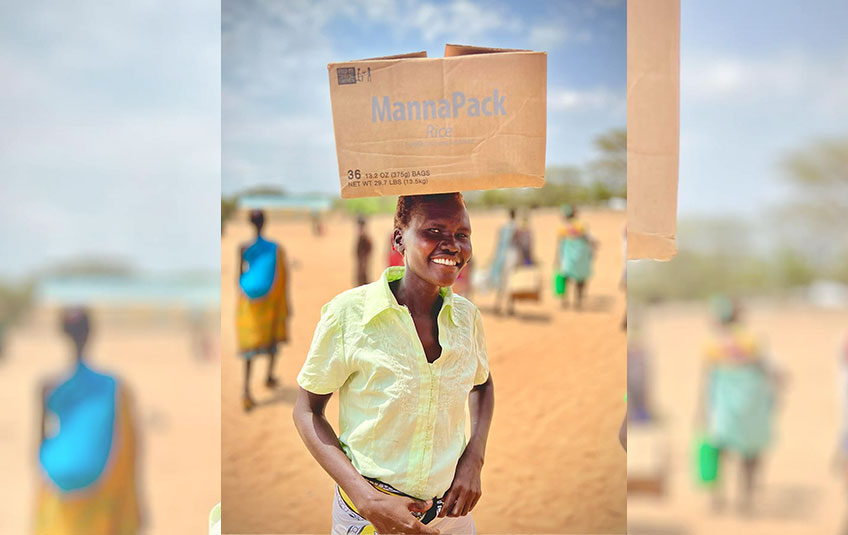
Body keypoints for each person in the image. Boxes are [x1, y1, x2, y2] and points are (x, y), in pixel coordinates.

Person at [293, 193, 494, 535]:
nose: (452, 246)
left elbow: (483, 382)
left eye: (462, 234)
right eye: (434, 232)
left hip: (451, 518)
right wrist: (368, 500)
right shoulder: (349, 315)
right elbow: (307, 411)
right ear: (399, 238)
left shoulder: (467, 318)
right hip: (369, 517)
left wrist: (474, 457)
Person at [34, 307, 141, 535]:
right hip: (99, 476)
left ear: (63, 334)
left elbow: (39, 444)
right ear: (91, 333)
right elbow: (129, 443)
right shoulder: (114, 386)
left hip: (57, 476)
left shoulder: (48, 385)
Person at [695, 297, 779, 515]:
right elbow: (768, 371)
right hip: (752, 406)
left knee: (719, 449)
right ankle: (746, 500)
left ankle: (717, 498)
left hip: (723, 406)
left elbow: (707, 378)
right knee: (750, 453)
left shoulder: (713, 344)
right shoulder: (751, 340)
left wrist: (700, 409)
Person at [237, 209, 290, 411]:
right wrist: (286, 301)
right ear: (264, 223)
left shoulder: (243, 247)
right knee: (272, 337)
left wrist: (245, 297)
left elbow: (238, 276)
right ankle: (268, 377)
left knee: (248, 347)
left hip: (248, 301)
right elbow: (283, 277)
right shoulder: (275, 248)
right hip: (271, 300)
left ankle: (246, 391)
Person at [554, 205, 595, 310]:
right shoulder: (581, 226)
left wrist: (557, 259)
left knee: (565, 277)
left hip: (567, 257)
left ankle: (564, 301)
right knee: (580, 280)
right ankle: (578, 302)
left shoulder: (563, 228)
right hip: (581, 257)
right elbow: (589, 240)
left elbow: (559, 244)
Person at [491, 208, 519, 314]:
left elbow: (498, 244)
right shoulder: (516, 228)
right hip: (511, 256)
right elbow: (517, 243)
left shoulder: (503, 227)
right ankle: (510, 307)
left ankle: (497, 305)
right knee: (511, 282)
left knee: (501, 281)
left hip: (501, 256)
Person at [355, 215, 374, 286]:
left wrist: (363, 262)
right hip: (361, 264)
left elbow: (369, 251)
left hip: (363, 265)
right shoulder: (360, 238)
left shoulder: (366, 239)